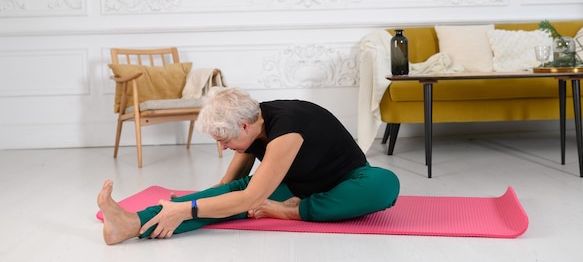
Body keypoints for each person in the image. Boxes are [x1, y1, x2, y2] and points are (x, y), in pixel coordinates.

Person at [97, 87, 400, 245]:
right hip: (298, 186)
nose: (223, 146)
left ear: (243, 126)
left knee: (385, 184)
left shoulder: (287, 131)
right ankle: (130, 224)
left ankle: (289, 211)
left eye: (224, 139)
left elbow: (250, 200)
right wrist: (186, 205)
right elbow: (227, 190)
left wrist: (188, 209)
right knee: (227, 198)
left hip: (346, 183)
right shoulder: (255, 124)